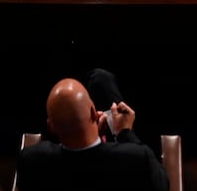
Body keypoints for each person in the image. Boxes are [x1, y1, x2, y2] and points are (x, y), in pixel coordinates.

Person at [16, 75, 169, 191]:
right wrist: (125, 133)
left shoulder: (31, 161)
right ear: (94, 113)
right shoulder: (136, 157)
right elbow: (162, 184)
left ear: (51, 126)